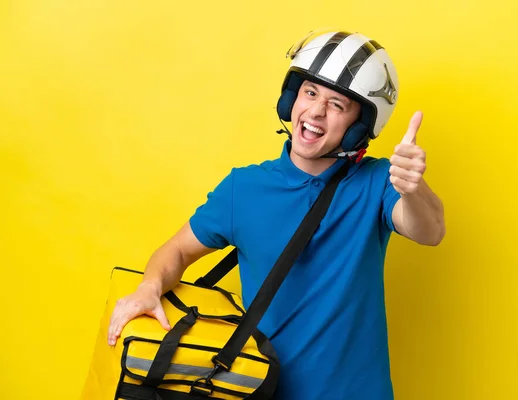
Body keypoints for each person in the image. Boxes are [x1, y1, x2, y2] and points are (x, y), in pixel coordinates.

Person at [107, 30, 445, 399]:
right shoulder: (243, 188)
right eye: (310, 93)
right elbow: (177, 250)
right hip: (261, 391)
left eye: (336, 105)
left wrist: (413, 188)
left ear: (358, 128)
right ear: (290, 99)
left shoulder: (377, 181)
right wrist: (149, 286)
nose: (315, 112)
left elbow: (430, 231)